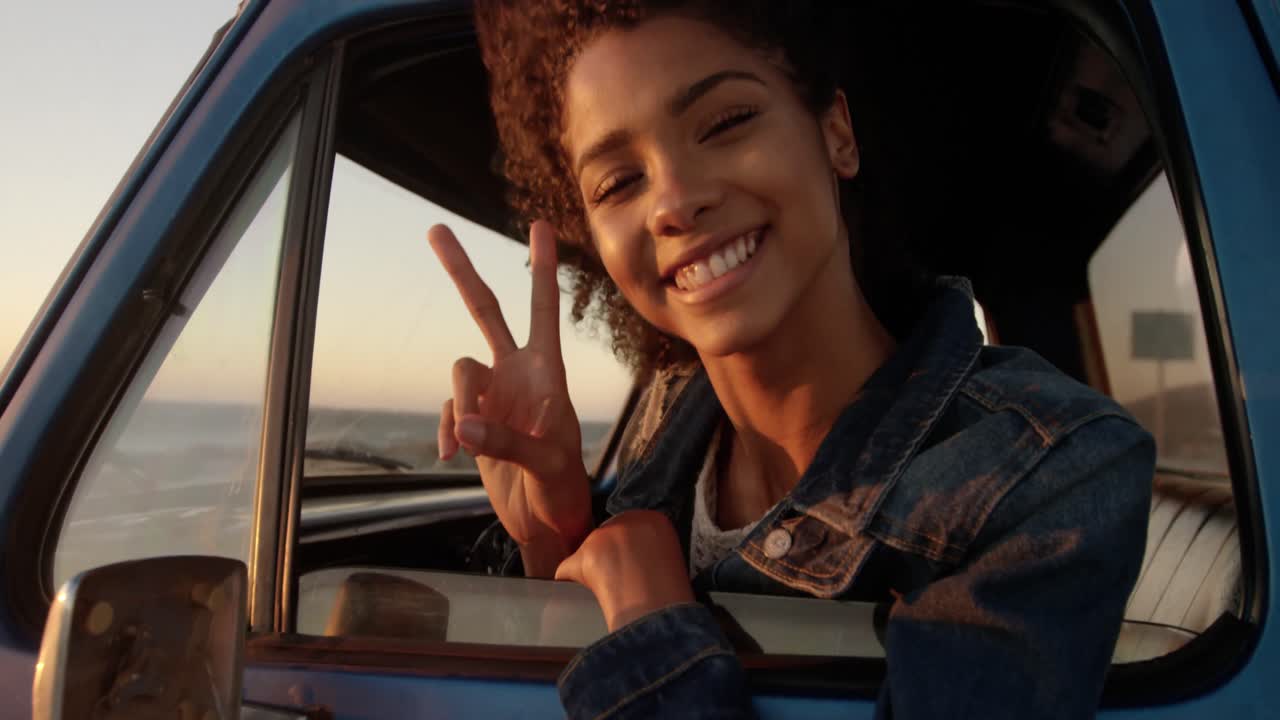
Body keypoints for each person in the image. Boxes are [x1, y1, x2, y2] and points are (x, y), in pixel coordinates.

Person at [427, 2, 1155, 717]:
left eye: (726, 123)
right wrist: (554, 535)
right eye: (618, 183)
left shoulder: (1051, 473)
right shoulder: (666, 424)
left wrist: (654, 637)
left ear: (836, 132)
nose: (674, 202)